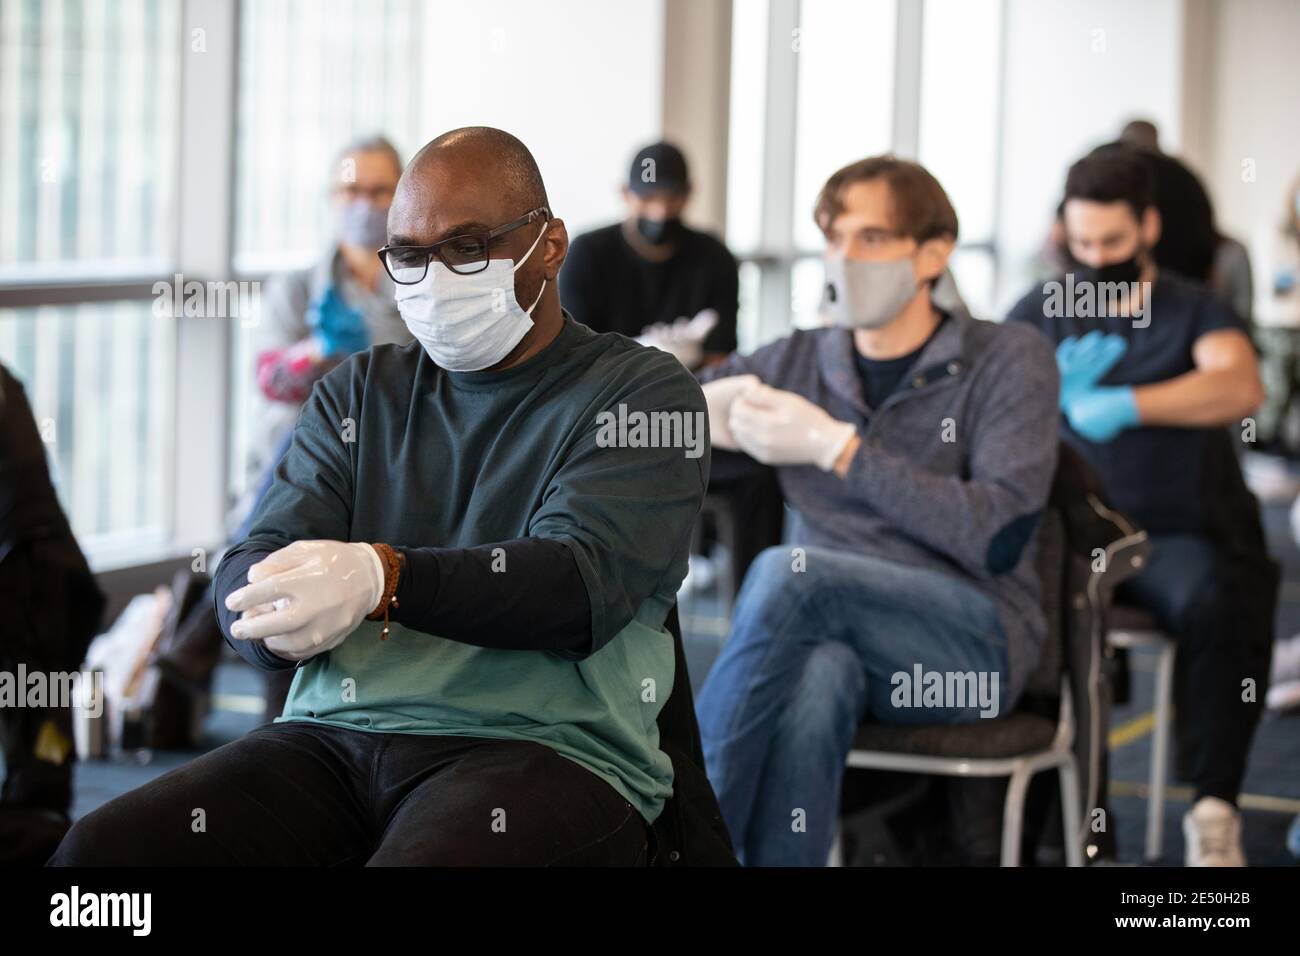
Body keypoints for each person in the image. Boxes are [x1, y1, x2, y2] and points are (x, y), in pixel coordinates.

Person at [49, 127, 713, 867]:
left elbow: (574, 583)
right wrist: (264, 620)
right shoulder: (359, 391)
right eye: (409, 255)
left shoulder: (642, 394)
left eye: (466, 247)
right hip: (330, 737)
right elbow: (256, 557)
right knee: (96, 858)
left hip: (540, 747)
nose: (434, 278)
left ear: (548, 245)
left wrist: (382, 580)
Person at [693, 155, 1060, 866]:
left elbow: (998, 534)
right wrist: (683, 408)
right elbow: (656, 404)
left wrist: (840, 450)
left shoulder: (1008, 358)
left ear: (932, 254)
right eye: (832, 238)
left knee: (791, 574)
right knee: (816, 677)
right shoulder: (800, 359)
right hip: (841, 644)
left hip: (971, 643)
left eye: (869, 239)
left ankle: (682, 844)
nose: (842, 258)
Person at [1006, 146, 1275, 866]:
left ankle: (1214, 808)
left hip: (1167, 537)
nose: (1096, 257)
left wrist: (1127, 402)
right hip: (1067, 534)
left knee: (1221, 603)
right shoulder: (1041, 310)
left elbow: (1240, 386)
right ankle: (1058, 819)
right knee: (1022, 613)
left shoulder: (1192, 308)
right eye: (1082, 242)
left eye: (1113, 243)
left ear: (1148, 226)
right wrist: (1038, 394)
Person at [242, 134, 414, 516]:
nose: (364, 204)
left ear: (402, 197)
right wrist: (316, 350)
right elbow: (269, 379)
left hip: (397, 458)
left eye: (379, 191)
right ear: (331, 197)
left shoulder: (421, 286)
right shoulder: (298, 289)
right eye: (351, 190)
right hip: (310, 463)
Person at [0, 363, 104, 864]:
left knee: (36, 743)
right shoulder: (5, 380)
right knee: (42, 728)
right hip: (55, 573)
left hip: (30, 580)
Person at [559, 141, 738, 370]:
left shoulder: (714, 258)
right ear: (626, 194)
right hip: (607, 390)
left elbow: (720, 358)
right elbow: (573, 353)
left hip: (694, 390)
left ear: (688, 194)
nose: (660, 211)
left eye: (671, 198)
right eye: (648, 198)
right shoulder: (589, 254)